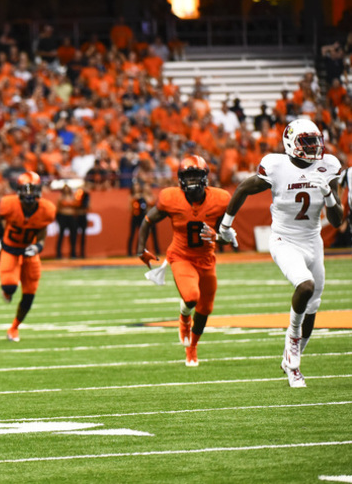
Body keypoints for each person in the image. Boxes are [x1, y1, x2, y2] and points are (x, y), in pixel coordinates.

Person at [218, 119, 344, 388]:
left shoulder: (328, 166)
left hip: (313, 240)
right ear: (290, 143)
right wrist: (225, 225)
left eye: (314, 141)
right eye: (306, 142)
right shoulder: (276, 166)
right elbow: (243, 188)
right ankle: (292, 351)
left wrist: (329, 195)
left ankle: (291, 360)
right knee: (305, 286)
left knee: (313, 305)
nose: (312, 147)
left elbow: (337, 221)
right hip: (284, 239)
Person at [137, 155, 232, 367]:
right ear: (180, 178)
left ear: (205, 177)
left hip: (207, 258)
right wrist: (140, 250)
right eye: (187, 176)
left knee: (206, 308)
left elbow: (226, 236)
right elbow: (147, 221)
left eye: (195, 175)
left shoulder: (221, 199)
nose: (191, 180)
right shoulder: (171, 198)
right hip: (181, 256)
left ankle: (192, 347)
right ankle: (184, 315)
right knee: (191, 297)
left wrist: (221, 236)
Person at [0, 171, 57, 342]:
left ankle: (14, 328)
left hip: (29, 253)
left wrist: (37, 247)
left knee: (29, 295)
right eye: (25, 189)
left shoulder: (46, 209)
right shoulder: (9, 204)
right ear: (19, 190)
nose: (29, 194)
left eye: (32, 189)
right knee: (10, 287)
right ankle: (6, 292)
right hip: (10, 249)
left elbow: (41, 235)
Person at [55, 184, 78, 259]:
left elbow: (76, 206)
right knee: (61, 235)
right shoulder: (61, 197)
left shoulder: (73, 196)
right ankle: (59, 253)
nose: (66, 190)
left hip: (71, 217)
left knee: (73, 235)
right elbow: (58, 208)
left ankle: (73, 253)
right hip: (63, 216)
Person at [74, 183, 90, 258]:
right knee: (75, 235)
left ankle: (82, 253)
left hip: (83, 215)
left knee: (83, 236)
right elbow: (76, 205)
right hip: (77, 216)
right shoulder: (77, 195)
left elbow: (88, 206)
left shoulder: (86, 196)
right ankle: (74, 252)